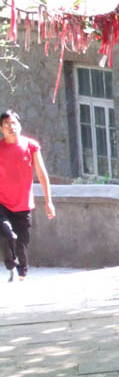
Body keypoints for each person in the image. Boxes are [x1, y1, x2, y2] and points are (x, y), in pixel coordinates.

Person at [0, 110, 55, 282]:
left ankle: (21, 274)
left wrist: (49, 201)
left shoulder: (31, 146)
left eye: (14, 123)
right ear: (1, 129)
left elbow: (42, 174)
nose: (11, 127)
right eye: (7, 124)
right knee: (6, 233)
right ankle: (10, 264)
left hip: (23, 205)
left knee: (22, 245)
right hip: (2, 203)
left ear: (19, 125)